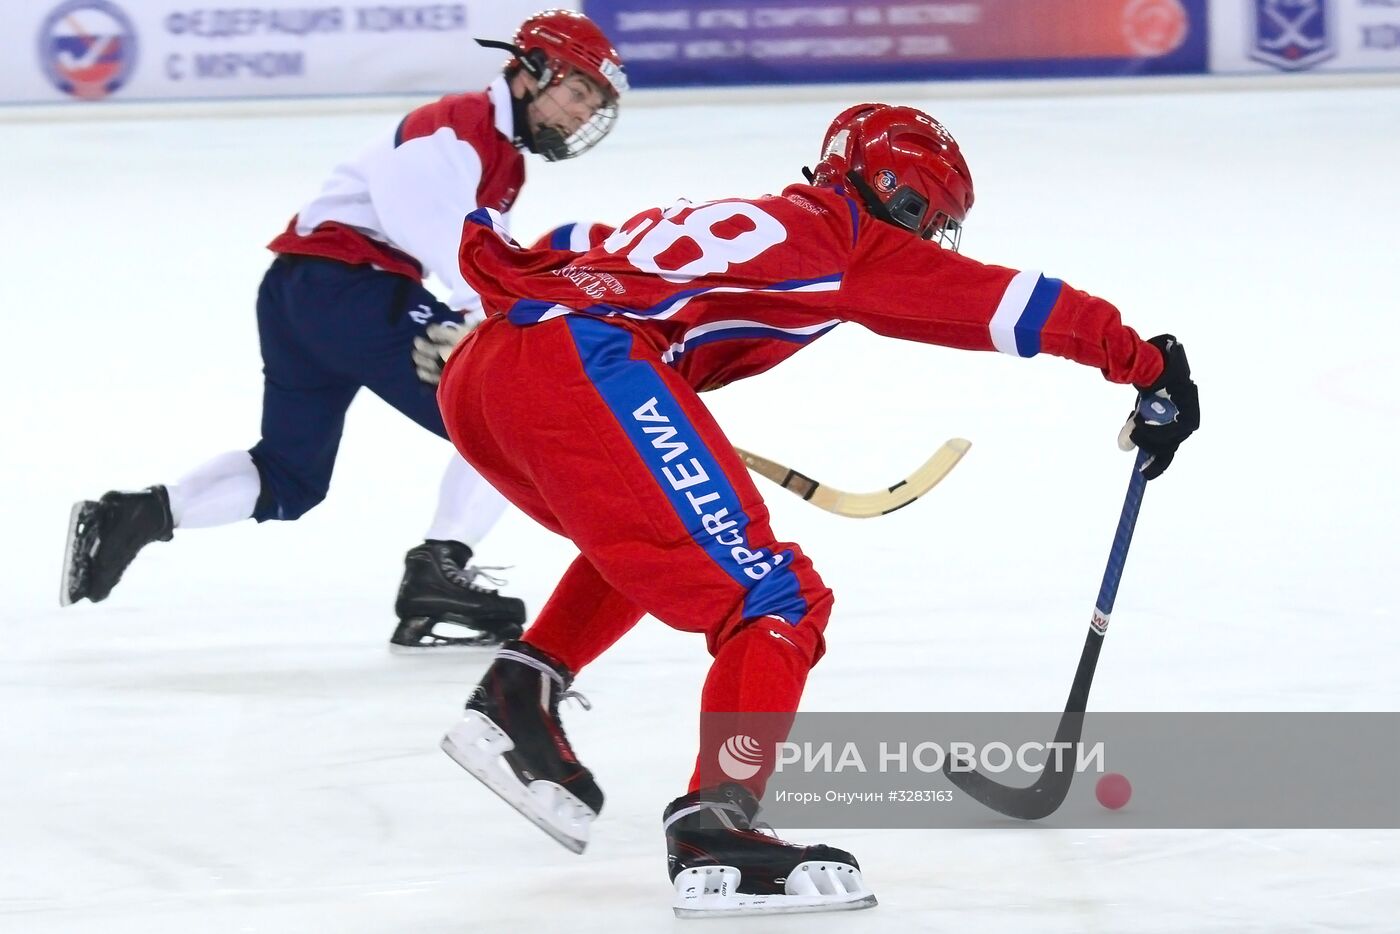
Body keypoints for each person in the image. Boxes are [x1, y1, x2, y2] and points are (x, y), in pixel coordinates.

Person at [434, 103, 1200, 915]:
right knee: (774, 595)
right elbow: (1005, 303)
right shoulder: (843, 238)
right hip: (580, 366)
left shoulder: (769, 215)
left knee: (669, 540)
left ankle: (521, 693)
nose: (929, 242)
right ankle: (715, 825)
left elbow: (578, 248)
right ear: (899, 196)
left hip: (490, 365)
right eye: (930, 221)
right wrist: (1145, 362)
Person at [59, 10, 629, 652]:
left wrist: (483, 305)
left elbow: (454, 239)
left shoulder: (494, 149)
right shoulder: (464, 125)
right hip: (354, 290)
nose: (582, 114)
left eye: (593, 104)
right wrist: (484, 314)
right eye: (578, 91)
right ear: (530, 70)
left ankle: (139, 514)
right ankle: (437, 571)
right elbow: (418, 211)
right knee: (513, 417)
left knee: (288, 478)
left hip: (300, 292)